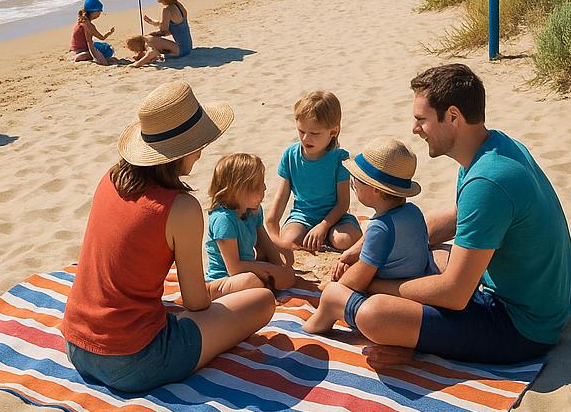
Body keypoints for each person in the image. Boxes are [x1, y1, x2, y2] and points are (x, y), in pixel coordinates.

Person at [333, 64, 571, 367]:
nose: (414, 129)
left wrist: (372, 285)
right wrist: (366, 247)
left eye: (421, 119)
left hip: (521, 328)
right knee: (425, 254)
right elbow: (459, 218)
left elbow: (454, 294)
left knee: (375, 313)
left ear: (452, 117)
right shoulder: (492, 149)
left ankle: (422, 348)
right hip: (542, 304)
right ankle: (425, 337)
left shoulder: (487, 182)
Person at [61, 81, 276, 392]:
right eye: (200, 141)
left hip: (77, 344)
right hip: (135, 359)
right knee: (262, 301)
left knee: (241, 290)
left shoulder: (111, 178)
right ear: (187, 148)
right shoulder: (181, 208)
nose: (203, 150)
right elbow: (195, 304)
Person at [304, 137, 436, 333]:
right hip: (415, 283)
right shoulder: (412, 212)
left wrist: (338, 283)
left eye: (357, 179)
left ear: (374, 188)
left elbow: (359, 280)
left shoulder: (380, 228)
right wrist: (351, 252)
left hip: (392, 300)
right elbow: (381, 241)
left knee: (332, 294)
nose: (352, 182)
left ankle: (312, 328)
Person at [265, 90, 363, 254]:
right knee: (289, 240)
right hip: (302, 216)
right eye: (301, 131)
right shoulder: (290, 156)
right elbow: (279, 203)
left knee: (343, 240)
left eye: (314, 133)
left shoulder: (340, 159)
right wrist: (274, 233)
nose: (305, 139)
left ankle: (328, 235)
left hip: (335, 218)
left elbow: (343, 203)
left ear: (333, 131)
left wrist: (323, 226)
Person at [205, 153, 295, 293]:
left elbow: (265, 244)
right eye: (258, 185)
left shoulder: (253, 211)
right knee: (250, 281)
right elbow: (234, 268)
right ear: (239, 190)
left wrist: (279, 267)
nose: (264, 188)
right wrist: (267, 270)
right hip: (225, 280)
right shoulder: (224, 219)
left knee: (287, 267)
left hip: (249, 269)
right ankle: (264, 288)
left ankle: (265, 288)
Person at [136, 0, 192, 65]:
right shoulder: (178, 5)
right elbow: (172, 27)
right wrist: (152, 22)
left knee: (147, 38)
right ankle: (149, 53)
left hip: (180, 50)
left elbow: (164, 31)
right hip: (188, 47)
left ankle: (149, 54)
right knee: (151, 39)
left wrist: (149, 36)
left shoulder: (167, 10)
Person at [70, 0, 114, 65]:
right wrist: (99, 59)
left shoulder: (81, 20)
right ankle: (84, 55)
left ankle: (83, 54)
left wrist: (109, 32)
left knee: (100, 46)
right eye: (99, 11)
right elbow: (90, 43)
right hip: (83, 49)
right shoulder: (88, 25)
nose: (100, 14)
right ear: (94, 12)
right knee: (107, 50)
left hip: (75, 48)